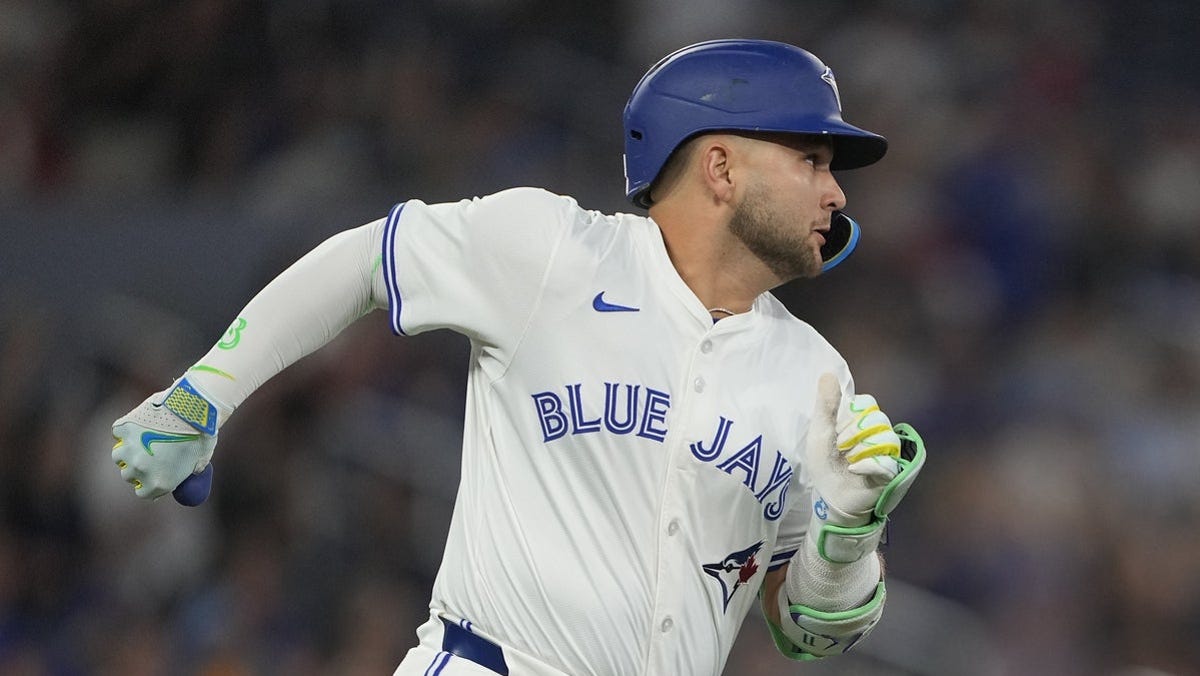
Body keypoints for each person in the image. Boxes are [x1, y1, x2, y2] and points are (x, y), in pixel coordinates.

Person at [111, 39, 926, 675]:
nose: (836, 193)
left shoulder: (813, 373)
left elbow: (803, 630)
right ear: (720, 167)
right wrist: (202, 393)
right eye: (811, 160)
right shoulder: (556, 251)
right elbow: (366, 261)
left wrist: (849, 531)